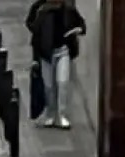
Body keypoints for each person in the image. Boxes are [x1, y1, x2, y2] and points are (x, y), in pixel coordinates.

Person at [26, 0, 85, 129]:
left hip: (63, 51)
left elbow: (81, 24)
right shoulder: (41, 9)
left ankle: (62, 115)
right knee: (48, 86)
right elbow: (33, 32)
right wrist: (35, 58)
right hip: (46, 54)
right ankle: (50, 114)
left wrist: (77, 30)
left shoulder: (68, 10)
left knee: (62, 82)